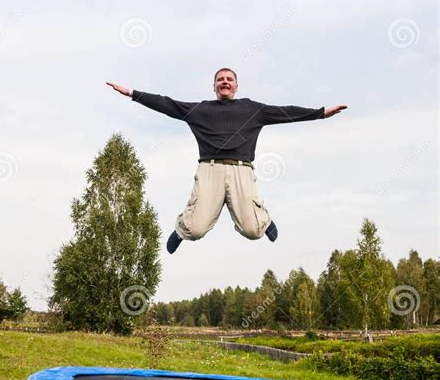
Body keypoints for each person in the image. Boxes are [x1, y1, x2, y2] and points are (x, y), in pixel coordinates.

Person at [106, 69, 347, 253]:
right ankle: (180, 231)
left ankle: (265, 219)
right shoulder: (200, 110)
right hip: (209, 169)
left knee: (253, 231)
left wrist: (320, 113)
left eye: (229, 79)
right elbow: (166, 104)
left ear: (236, 86)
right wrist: (132, 94)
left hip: (242, 170)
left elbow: (286, 112)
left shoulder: (253, 109)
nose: (225, 82)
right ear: (214, 86)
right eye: (220, 79)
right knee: (196, 229)